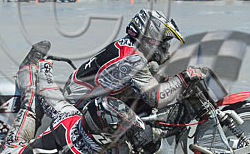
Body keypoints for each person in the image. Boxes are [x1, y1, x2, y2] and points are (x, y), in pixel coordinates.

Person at [0, 42, 159, 154]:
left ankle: (29, 67)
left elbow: (47, 91)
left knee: (31, 106)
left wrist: (44, 67)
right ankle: (24, 70)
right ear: (101, 136)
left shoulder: (69, 118)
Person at [62, 9, 204, 111]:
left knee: (154, 70)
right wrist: (184, 78)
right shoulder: (133, 59)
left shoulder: (130, 44)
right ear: (151, 38)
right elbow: (156, 99)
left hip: (84, 93)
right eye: (165, 41)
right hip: (79, 108)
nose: (166, 46)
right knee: (143, 131)